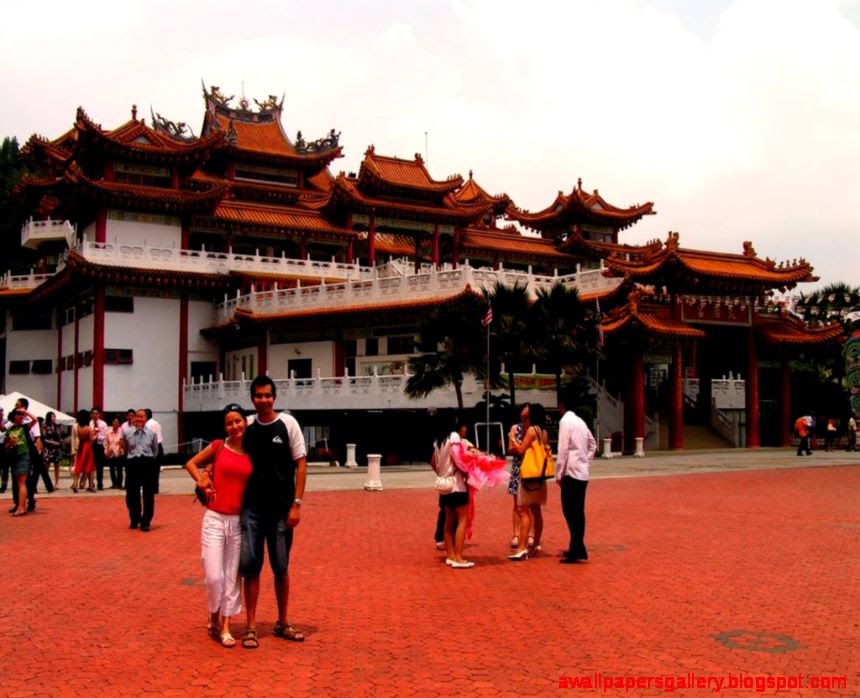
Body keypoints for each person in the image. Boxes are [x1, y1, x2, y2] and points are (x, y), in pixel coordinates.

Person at [239, 375, 308, 648]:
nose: (263, 400)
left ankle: (282, 621)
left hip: (281, 509)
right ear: (252, 398)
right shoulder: (246, 426)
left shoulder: (288, 424)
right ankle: (251, 625)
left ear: (274, 397)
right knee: (251, 568)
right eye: (258, 395)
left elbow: (301, 464)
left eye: (268, 395)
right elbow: (227, 453)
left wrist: (297, 503)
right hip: (252, 509)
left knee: (281, 567)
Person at [184, 404, 253, 648]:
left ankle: (225, 624)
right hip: (214, 518)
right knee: (214, 576)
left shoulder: (253, 452)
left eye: (238, 421)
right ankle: (213, 613)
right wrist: (202, 479)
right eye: (229, 423)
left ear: (245, 422)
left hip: (238, 521)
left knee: (232, 577)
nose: (234, 426)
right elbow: (191, 463)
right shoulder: (217, 447)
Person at [556, 389, 597, 564]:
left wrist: (559, 473)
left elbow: (563, 449)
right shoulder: (580, 421)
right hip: (581, 472)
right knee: (578, 511)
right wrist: (585, 461)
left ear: (562, 406)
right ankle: (577, 546)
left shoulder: (566, 422)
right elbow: (592, 444)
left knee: (569, 511)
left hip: (571, 473)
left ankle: (577, 548)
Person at [507, 403, 550, 561]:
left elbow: (520, 450)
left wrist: (512, 439)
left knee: (523, 510)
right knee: (536, 511)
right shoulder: (543, 431)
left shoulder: (532, 430)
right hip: (540, 476)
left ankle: (522, 547)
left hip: (529, 475)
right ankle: (536, 543)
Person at [431, 414, 473, 568]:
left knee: (448, 521)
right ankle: (458, 557)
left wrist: (442, 473)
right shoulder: (454, 437)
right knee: (462, 520)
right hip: (456, 484)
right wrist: (468, 471)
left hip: (445, 485)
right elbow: (458, 459)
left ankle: (450, 555)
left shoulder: (439, 440)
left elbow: (434, 462)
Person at [124, 409, 159, 532]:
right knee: (132, 493)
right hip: (132, 463)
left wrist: (149, 461)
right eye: (137, 417)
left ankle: (146, 521)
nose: (138, 419)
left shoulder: (151, 434)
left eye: (141, 417)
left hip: (147, 463)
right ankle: (134, 518)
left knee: (148, 493)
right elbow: (126, 449)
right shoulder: (127, 433)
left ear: (146, 419)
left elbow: (155, 451)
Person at [5, 410, 32, 516]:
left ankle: (22, 507)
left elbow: (34, 420)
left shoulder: (24, 427)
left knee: (21, 482)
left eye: (21, 415)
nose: (20, 417)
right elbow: (6, 445)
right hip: (14, 456)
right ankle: (22, 506)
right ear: (13, 417)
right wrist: (10, 443)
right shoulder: (10, 430)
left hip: (23, 455)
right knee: (19, 482)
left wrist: (26, 412)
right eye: (18, 415)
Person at [72, 410, 95, 493]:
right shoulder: (88, 428)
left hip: (80, 446)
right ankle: (91, 484)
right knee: (91, 466)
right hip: (88, 447)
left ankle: (75, 483)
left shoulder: (77, 427)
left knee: (78, 465)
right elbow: (91, 439)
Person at [42, 412, 64, 489]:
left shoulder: (57, 426)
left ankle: (57, 483)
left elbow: (59, 435)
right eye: (52, 417)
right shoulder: (45, 426)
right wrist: (52, 442)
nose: (54, 418)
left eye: (54, 417)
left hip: (57, 448)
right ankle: (47, 483)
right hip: (49, 448)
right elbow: (43, 439)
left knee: (57, 465)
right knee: (47, 465)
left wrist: (60, 440)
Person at [144, 409, 164, 494]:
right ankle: (155, 488)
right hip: (159, 446)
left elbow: (148, 438)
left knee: (150, 469)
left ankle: (151, 488)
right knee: (156, 470)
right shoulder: (157, 423)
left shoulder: (148, 425)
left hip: (152, 447)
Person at [104, 415, 126, 489]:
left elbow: (123, 442)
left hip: (119, 452)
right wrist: (106, 451)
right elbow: (106, 443)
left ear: (119, 424)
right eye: (113, 421)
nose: (114, 423)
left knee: (119, 469)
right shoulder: (108, 432)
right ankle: (114, 483)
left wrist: (122, 448)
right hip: (111, 453)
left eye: (116, 422)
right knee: (112, 469)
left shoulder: (122, 432)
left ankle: (119, 483)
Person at [90, 407, 108, 490]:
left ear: (99, 414)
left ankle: (100, 484)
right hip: (91, 445)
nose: (94, 415)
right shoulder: (90, 423)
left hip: (99, 445)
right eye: (93, 413)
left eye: (96, 413)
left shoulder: (103, 424)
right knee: (91, 465)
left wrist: (98, 436)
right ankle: (91, 483)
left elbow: (105, 435)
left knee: (99, 466)